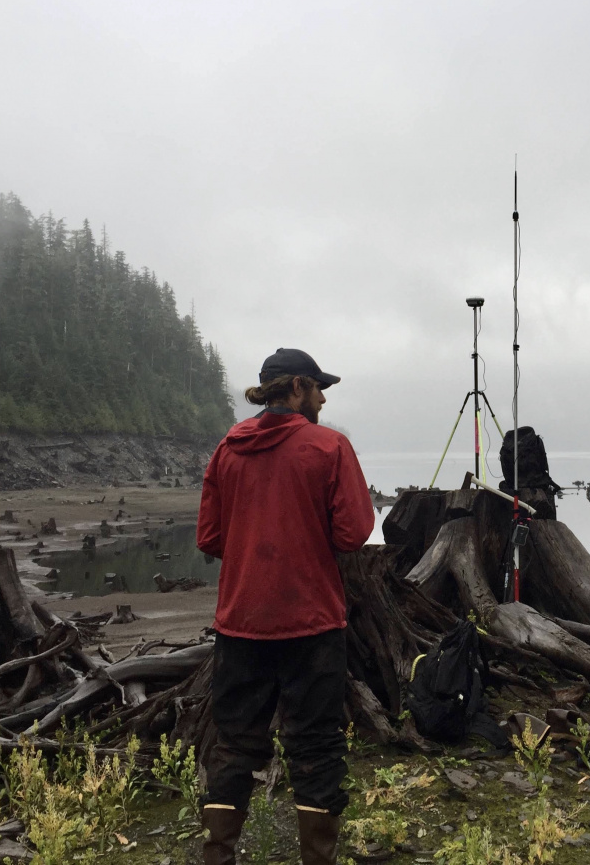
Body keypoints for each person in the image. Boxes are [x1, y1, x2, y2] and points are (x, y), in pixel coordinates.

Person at [196, 348, 375, 865]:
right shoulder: (329, 446)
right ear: (296, 387)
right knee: (316, 746)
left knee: (233, 743)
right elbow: (354, 532)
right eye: (318, 387)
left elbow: (209, 537)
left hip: (240, 624)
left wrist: (258, 542)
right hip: (312, 625)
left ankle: (218, 855)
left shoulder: (227, 448)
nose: (322, 397)